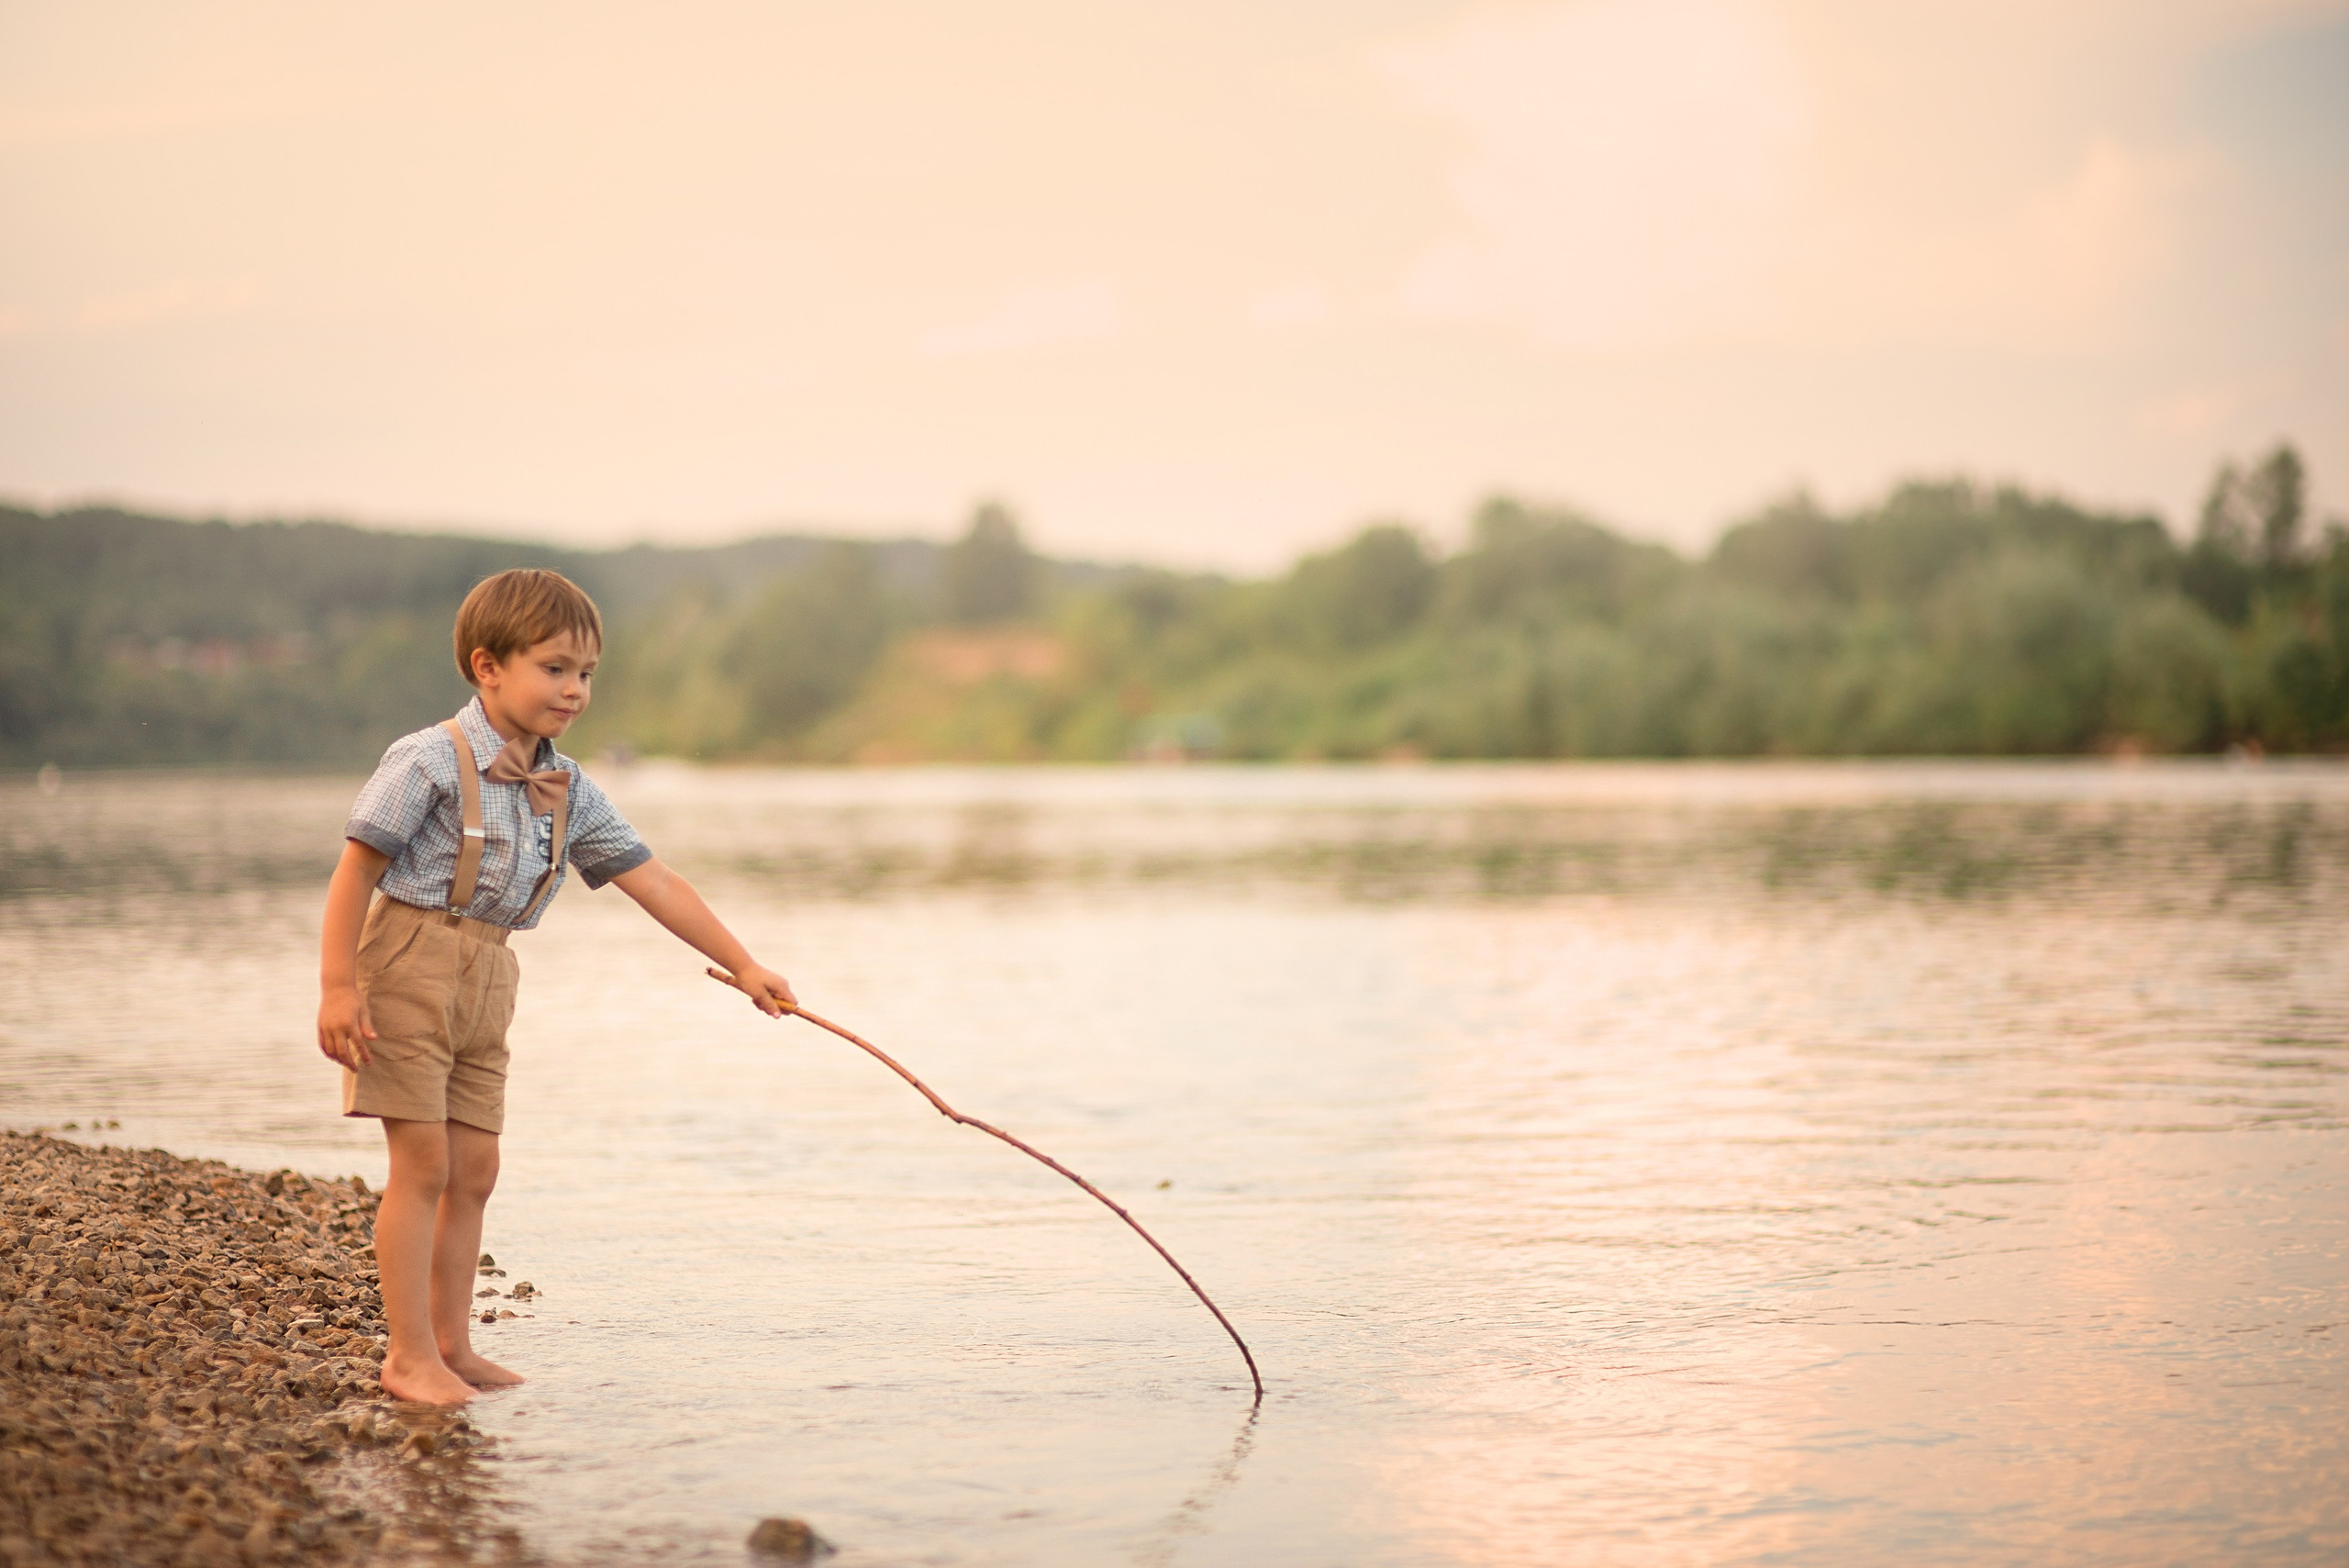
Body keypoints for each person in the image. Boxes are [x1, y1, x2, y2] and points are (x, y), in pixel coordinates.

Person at [314, 569, 796, 1406]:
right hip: (405, 965)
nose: (574, 690)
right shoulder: (427, 758)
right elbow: (355, 870)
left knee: (476, 1166)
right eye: (554, 668)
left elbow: (657, 881)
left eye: (586, 674)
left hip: (491, 972)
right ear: (487, 665)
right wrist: (336, 986)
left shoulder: (568, 787)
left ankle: (455, 1344)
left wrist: (745, 962)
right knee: (422, 1162)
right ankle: (407, 1354)